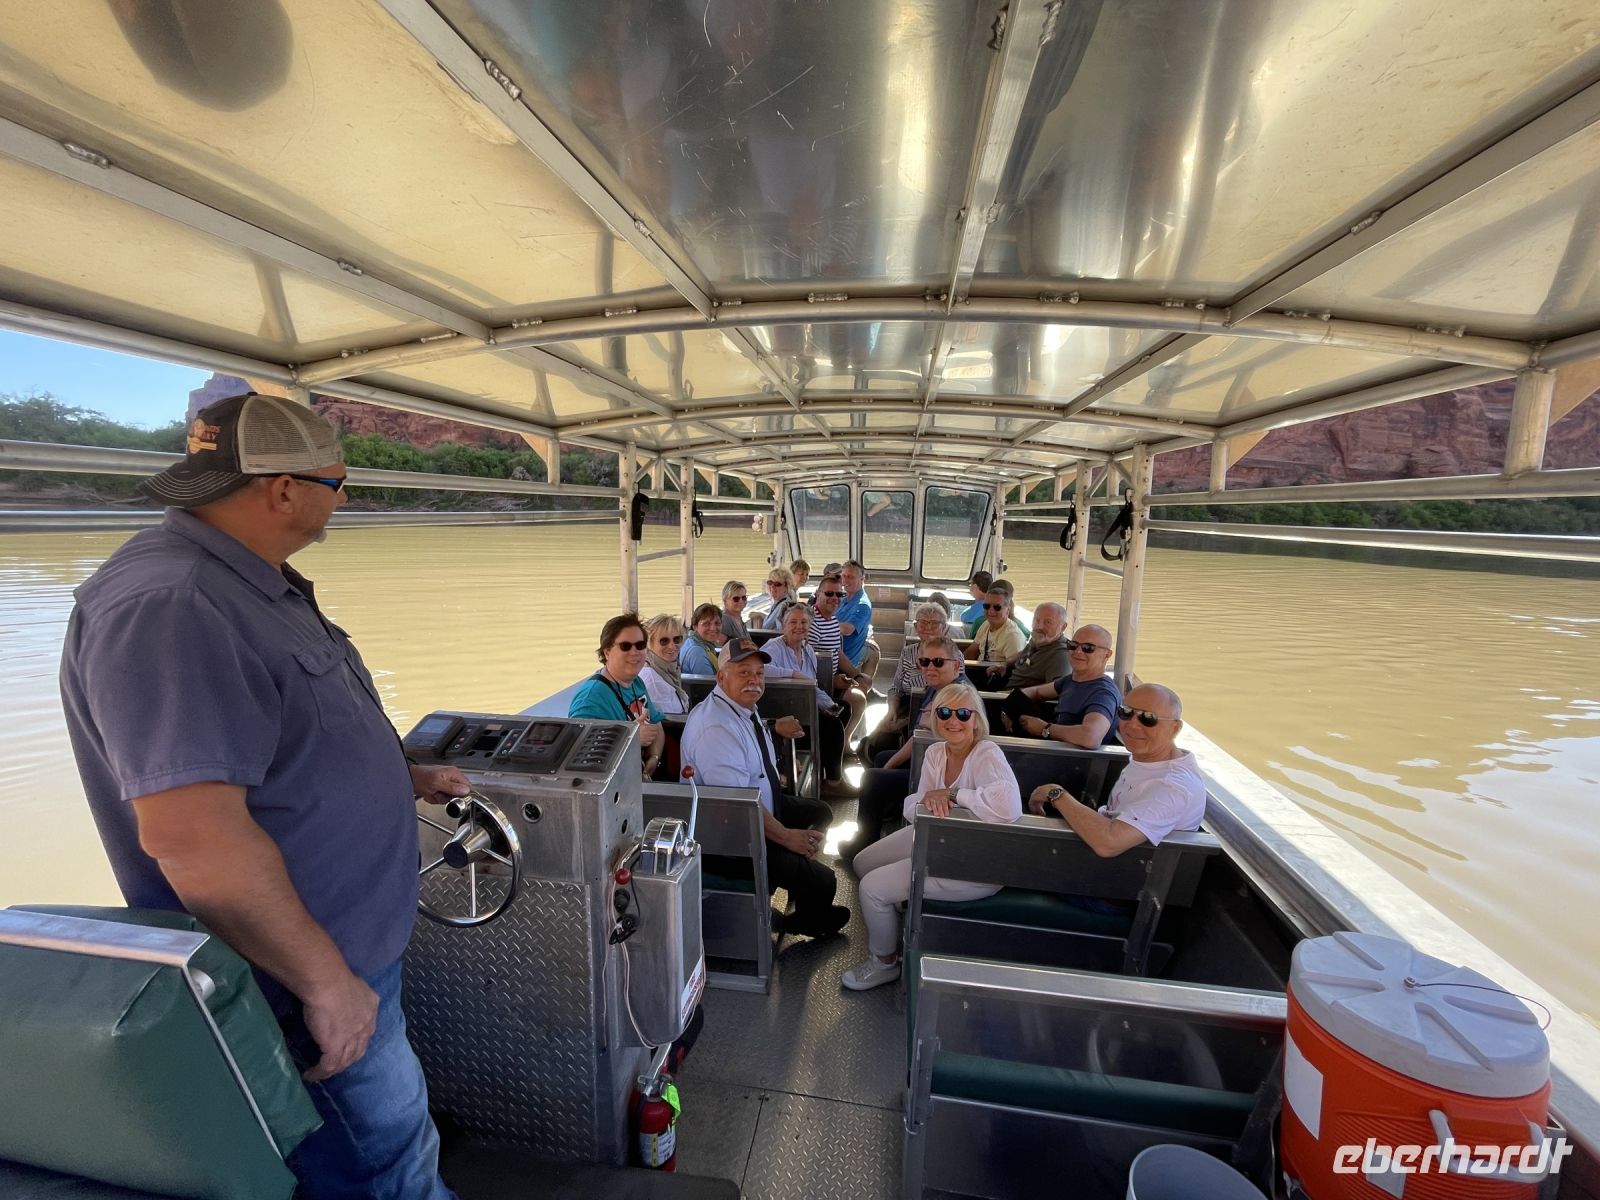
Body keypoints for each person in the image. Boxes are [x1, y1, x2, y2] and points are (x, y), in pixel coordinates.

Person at [58, 393, 462, 1199]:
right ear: (283, 489)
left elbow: (274, 743)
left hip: (341, 949)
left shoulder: (249, 581)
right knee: (380, 1164)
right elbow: (193, 838)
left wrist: (398, 776)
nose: (341, 501)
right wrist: (325, 985)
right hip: (294, 972)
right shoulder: (175, 607)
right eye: (338, 483)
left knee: (388, 1147)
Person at [843, 682, 1021, 990]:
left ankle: (884, 962)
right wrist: (929, 802)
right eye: (945, 712)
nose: (954, 720)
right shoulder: (937, 753)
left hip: (973, 863)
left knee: (872, 888)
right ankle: (896, 905)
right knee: (862, 863)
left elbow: (1009, 807)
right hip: (934, 838)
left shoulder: (987, 753)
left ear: (976, 720)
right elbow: (914, 804)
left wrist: (954, 795)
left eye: (964, 713)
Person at [680, 640, 850, 939]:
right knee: (825, 881)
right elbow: (738, 807)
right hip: (730, 840)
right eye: (743, 672)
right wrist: (787, 837)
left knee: (820, 811)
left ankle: (799, 874)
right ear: (721, 678)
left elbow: (750, 746)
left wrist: (772, 726)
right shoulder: (715, 729)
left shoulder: (740, 706)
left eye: (759, 673)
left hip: (758, 808)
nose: (754, 680)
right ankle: (808, 920)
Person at [1028, 683, 1204, 857]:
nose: (1132, 725)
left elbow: (1108, 843)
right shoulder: (1152, 759)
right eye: (1126, 712)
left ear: (1175, 728)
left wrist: (1056, 794)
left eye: (1148, 718)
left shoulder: (1171, 787)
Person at [838, 637, 965, 861]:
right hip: (929, 759)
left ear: (956, 665)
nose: (930, 668)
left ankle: (864, 842)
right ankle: (885, 816)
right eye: (924, 662)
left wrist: (892, 764)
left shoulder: (956, 699)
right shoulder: (940, 688)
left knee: (873, 778)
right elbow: (919, 736)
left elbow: (921, 739)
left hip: (943, 777)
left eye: (938, 662)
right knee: (881, 757)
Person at [569, 614, 670, 777]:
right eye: (625, 646)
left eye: (640, 645)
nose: (635, 652)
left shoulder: (636, 682)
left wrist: (654, 758)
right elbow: (580, 759)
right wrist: (630, 738)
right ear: (607, 652)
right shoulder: (590, 699)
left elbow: (656, 725)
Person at [762, 605, 849, 786]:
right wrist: (791, 674)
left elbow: (812, 686)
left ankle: (825, 767)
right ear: (783, 626)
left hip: (805, 706)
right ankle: (834, 782)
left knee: (843, 708)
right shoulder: (774, 647)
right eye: (793, 622)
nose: (799, 626)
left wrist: (828, 704)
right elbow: (760, 668)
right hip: (785, 712)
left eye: (804, 622)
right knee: (832, 727)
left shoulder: (807, 650)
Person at [1005, 625, 1121, 747]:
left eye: (1088, 648)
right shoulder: (1072, 680)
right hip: (1054, 750)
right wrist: (1010, 709)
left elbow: (1091, 737)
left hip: (1072, 761)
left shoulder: (1103, 693)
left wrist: (1044, 728)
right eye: (1073, 645)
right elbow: (1036, 691)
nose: (1078, 651)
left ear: (1107, 655)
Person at [864, 603, 949, 762]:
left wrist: (905, 721)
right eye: (923, 623)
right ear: (916, 627)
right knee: (873, 743)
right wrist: (891, 711)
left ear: (944, 628)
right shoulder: (908, 652)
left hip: (932, 710)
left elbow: (949, 693)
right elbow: (896, 687)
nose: (928, 627)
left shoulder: (952, 657)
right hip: (904, 705)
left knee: (887, 744)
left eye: (934, 623)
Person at [809, 573, 869, 747]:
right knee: (857, 699)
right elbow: (806, 663)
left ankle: (843, 743)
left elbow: (838, 653)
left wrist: (858, 676)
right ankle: (842, 745)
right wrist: (832, 682)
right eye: (829, 594)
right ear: (818, 594)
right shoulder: (812, 623)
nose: (834, 598)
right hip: (818, 687)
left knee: (863, 686)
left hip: (832, 678)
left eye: (839, 594)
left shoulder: (833, 620)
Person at [987, 602, 1071, 723]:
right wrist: (1005, 664)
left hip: (1018, 707)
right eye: (1036, 620)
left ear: (1063, 627)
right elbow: (1023, 653)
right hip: (1005, 695)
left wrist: (1015, 700)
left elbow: (1057, 690)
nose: (1039, 626)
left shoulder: (1061, 655)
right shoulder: (1039, 639)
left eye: (1048, 622)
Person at [836, 560, 880, 691]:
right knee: (874, 651)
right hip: (834, 648)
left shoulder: (862, 605)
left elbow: (848, 629)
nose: (845, 580)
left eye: (850, 577)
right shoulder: (843, 600)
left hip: (845, 656)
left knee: (873, 651)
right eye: (843, 576)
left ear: (862, 579)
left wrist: (825, 626)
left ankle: (863, 688)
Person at [639, 613, 691, 716]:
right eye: (664, 641)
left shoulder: (667, 670)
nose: (672, 646)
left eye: (677, 639)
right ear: (650, 644)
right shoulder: (653, 681)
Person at [965, 585, 1027, 663]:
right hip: (979, 669)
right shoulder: (986, 625)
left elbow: (1014, 669)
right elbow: (971, 652)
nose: (990, 611)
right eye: (987, 606)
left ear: (1008, 610)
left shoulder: (1013, 636)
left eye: (997, 607)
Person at [679, 602, 724, 676]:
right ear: (695, 626)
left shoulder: (695, 642)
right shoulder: (696, 652)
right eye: (706, 624)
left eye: (717, 623)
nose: (713, 628)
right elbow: (709, 684)